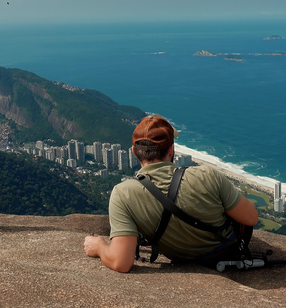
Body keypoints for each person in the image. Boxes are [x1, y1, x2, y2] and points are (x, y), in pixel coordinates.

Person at [84, 115, 259, 272]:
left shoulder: (123, 194)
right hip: (226, 252)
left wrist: (99, 246)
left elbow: (121, 262)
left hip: (182, 260)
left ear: (134, 152)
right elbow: (251, 218)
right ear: (171, 150)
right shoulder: (207, 175)